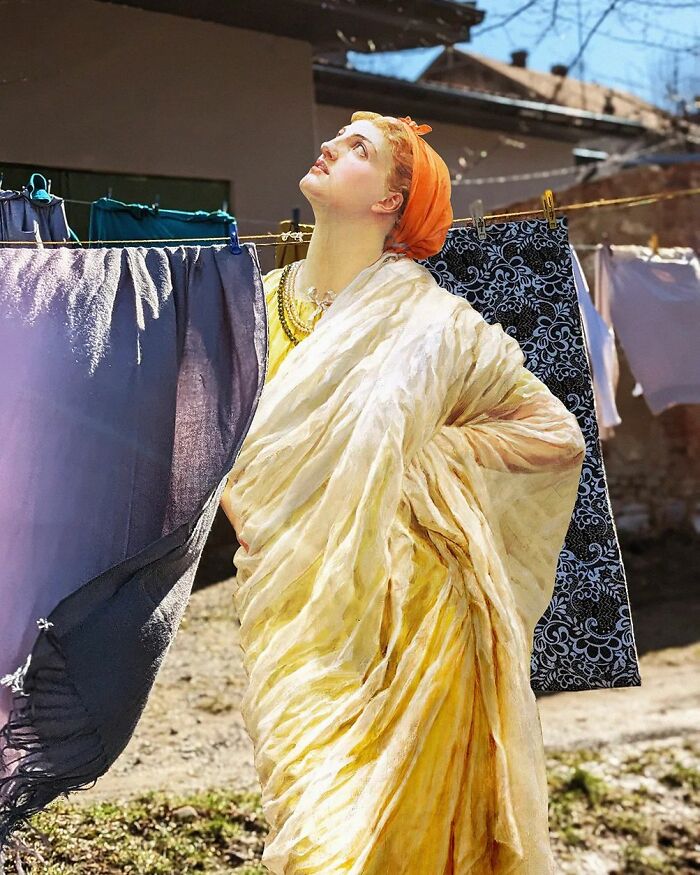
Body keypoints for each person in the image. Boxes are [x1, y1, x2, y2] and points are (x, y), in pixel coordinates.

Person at [219, 111, 586, 874]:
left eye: (359, 149)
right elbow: (212, 440)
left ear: (392, 199)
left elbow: (557, 435)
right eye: (337, 137)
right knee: (315, 825)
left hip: (423, 619)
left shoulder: (439, 325)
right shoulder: (252, 306)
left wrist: (431, 455)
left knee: (395, 842)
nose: (328, 145)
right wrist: (246, 510)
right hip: (296, 611)